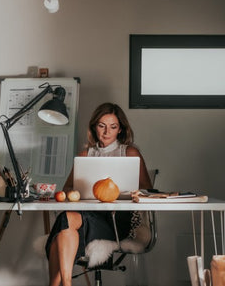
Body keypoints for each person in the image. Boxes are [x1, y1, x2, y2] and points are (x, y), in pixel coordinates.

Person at [45, 102, 153, 286]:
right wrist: (74, 192)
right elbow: (67, 189)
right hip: (88, 215)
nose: (106, 132)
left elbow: (148, 190)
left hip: (117, 221)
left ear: (120, 129)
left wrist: (136, 193)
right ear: (94, 127)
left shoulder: (130, 152)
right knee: (66, 221)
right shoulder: (86, 154)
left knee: (63, 226)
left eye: (113, 127)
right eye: (102, 126)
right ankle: (67, 282)